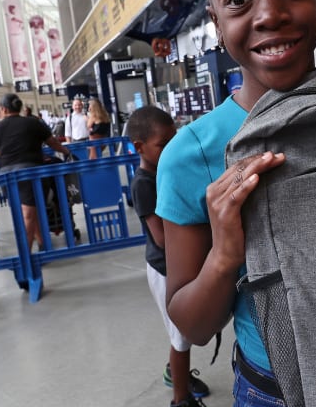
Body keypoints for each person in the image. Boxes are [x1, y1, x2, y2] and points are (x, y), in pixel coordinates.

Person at [156, 0, 316, 403]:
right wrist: (225, 252)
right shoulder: (193, 153)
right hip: (274, 387)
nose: (269, 12)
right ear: (216, 23)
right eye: (238, 0)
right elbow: (193, 325)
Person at [128, 107, 209, 407]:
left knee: (181, 334)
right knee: (181, 338)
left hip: (177, 264)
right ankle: (180, 399)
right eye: (163, 144)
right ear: (139, 147)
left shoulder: (167, 171)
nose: (171, 148)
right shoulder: (144, 184)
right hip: (165, 269)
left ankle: (176, 374)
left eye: (173, 140)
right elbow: (163, 239)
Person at [0, 93, 71, 257]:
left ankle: (43, 246)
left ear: (3, 109)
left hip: (6, 175)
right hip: (30, 173)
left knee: (28, 213)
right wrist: (67, 152)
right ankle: (25, 257)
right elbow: (52, 142)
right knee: (29, 214)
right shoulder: (33, 123)